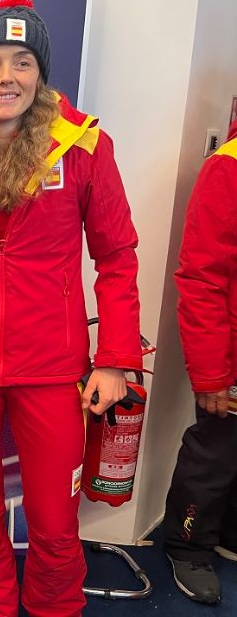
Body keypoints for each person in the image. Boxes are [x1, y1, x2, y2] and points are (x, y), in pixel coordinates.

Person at [0, 0, 142, 616]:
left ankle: (54, 607)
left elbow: (117, 256)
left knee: (53, 517)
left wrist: (116, 359)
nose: (6, 77)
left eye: (21, 62)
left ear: (40, 73)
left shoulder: (84, 147)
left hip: (51, 366)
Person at [162, 119, 237, 605]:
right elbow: (202, 278)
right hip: (230, 354)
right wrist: (211, 374)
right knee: (215, 452)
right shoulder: (229, 166)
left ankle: (229, 532)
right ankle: (187, 547)